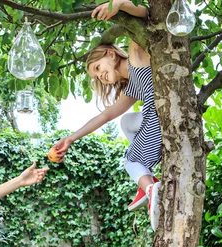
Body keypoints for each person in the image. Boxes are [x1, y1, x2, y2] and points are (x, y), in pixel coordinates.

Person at [51, 0, 163, 230]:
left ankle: (150, 187)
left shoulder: (135, 53)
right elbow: (103, 117)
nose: (99, 76)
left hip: (162, 120)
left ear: (111, 54)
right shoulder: (132, 88)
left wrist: (119, 4)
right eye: (95, 75)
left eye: (98, 68)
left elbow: (145, 16)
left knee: (130, 159)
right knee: (127, 121)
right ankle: (146, 177)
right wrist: (70, 138)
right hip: (157, 119)